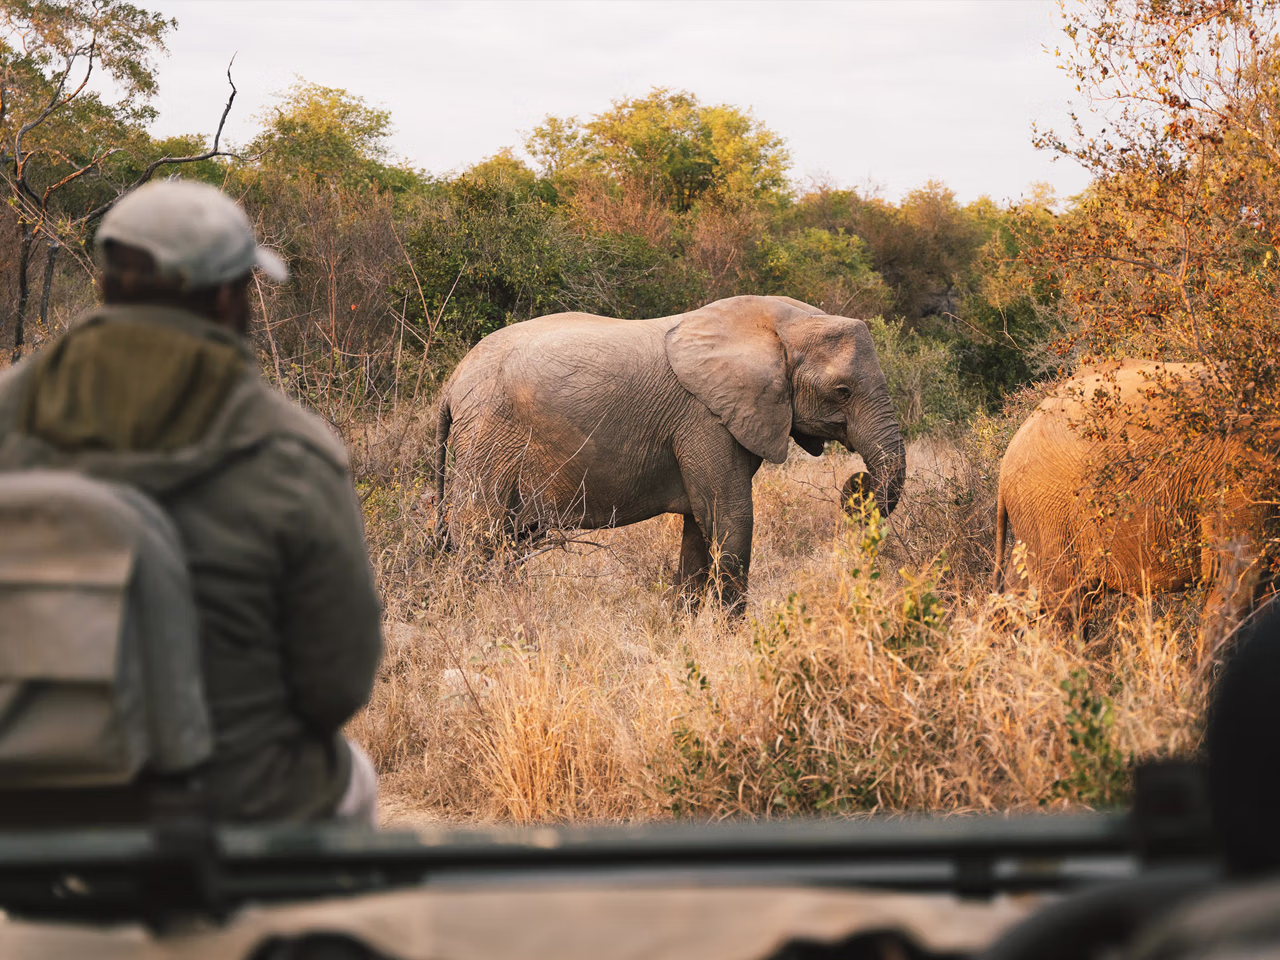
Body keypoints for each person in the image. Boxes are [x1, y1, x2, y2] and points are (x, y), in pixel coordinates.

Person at [0, 180, 384, 823]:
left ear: (106, 283)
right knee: (360, 780)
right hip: (233, 800)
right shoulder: (291, 450)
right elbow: (336, 685)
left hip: (22, 797)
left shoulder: (9, 415)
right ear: (232, 297)